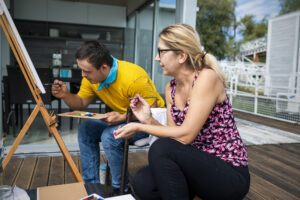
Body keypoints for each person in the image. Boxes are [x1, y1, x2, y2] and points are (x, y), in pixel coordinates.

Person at [114, 24, 250, 200]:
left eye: (161, 51)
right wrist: (147, 120)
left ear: (182, 55)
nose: (157, 58)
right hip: (198, 169)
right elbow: (174, 138)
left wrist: (140, 128)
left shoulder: (206, 78)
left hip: (228, 175)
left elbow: (186, 136)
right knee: (143, 182)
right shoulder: (171, 88)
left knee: (160, 149)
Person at [51, 41, 165, 195]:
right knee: (86, 128)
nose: (83, 75)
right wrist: (65, 95)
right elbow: (81, 103)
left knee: (110, 136)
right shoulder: (91, 77)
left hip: (151, 123)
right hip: (125, 118)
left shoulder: (133, 77)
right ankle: (92, 186)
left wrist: (122, 117)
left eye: (87, 71)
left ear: (104, 67)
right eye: (82, 70)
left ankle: (121, 189)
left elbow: (151, 109)